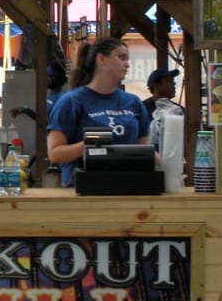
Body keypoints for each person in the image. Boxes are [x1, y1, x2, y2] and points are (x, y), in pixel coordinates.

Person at [47, 37, 151, 188]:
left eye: (128, 59)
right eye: (122, 57)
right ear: (102, 59)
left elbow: (145, 151)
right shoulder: (71, 102)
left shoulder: (134, 103)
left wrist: (168, 162)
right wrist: (90, 145)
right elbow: (55, 154)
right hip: (83, 193)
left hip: (129, 189)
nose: (127, 64)